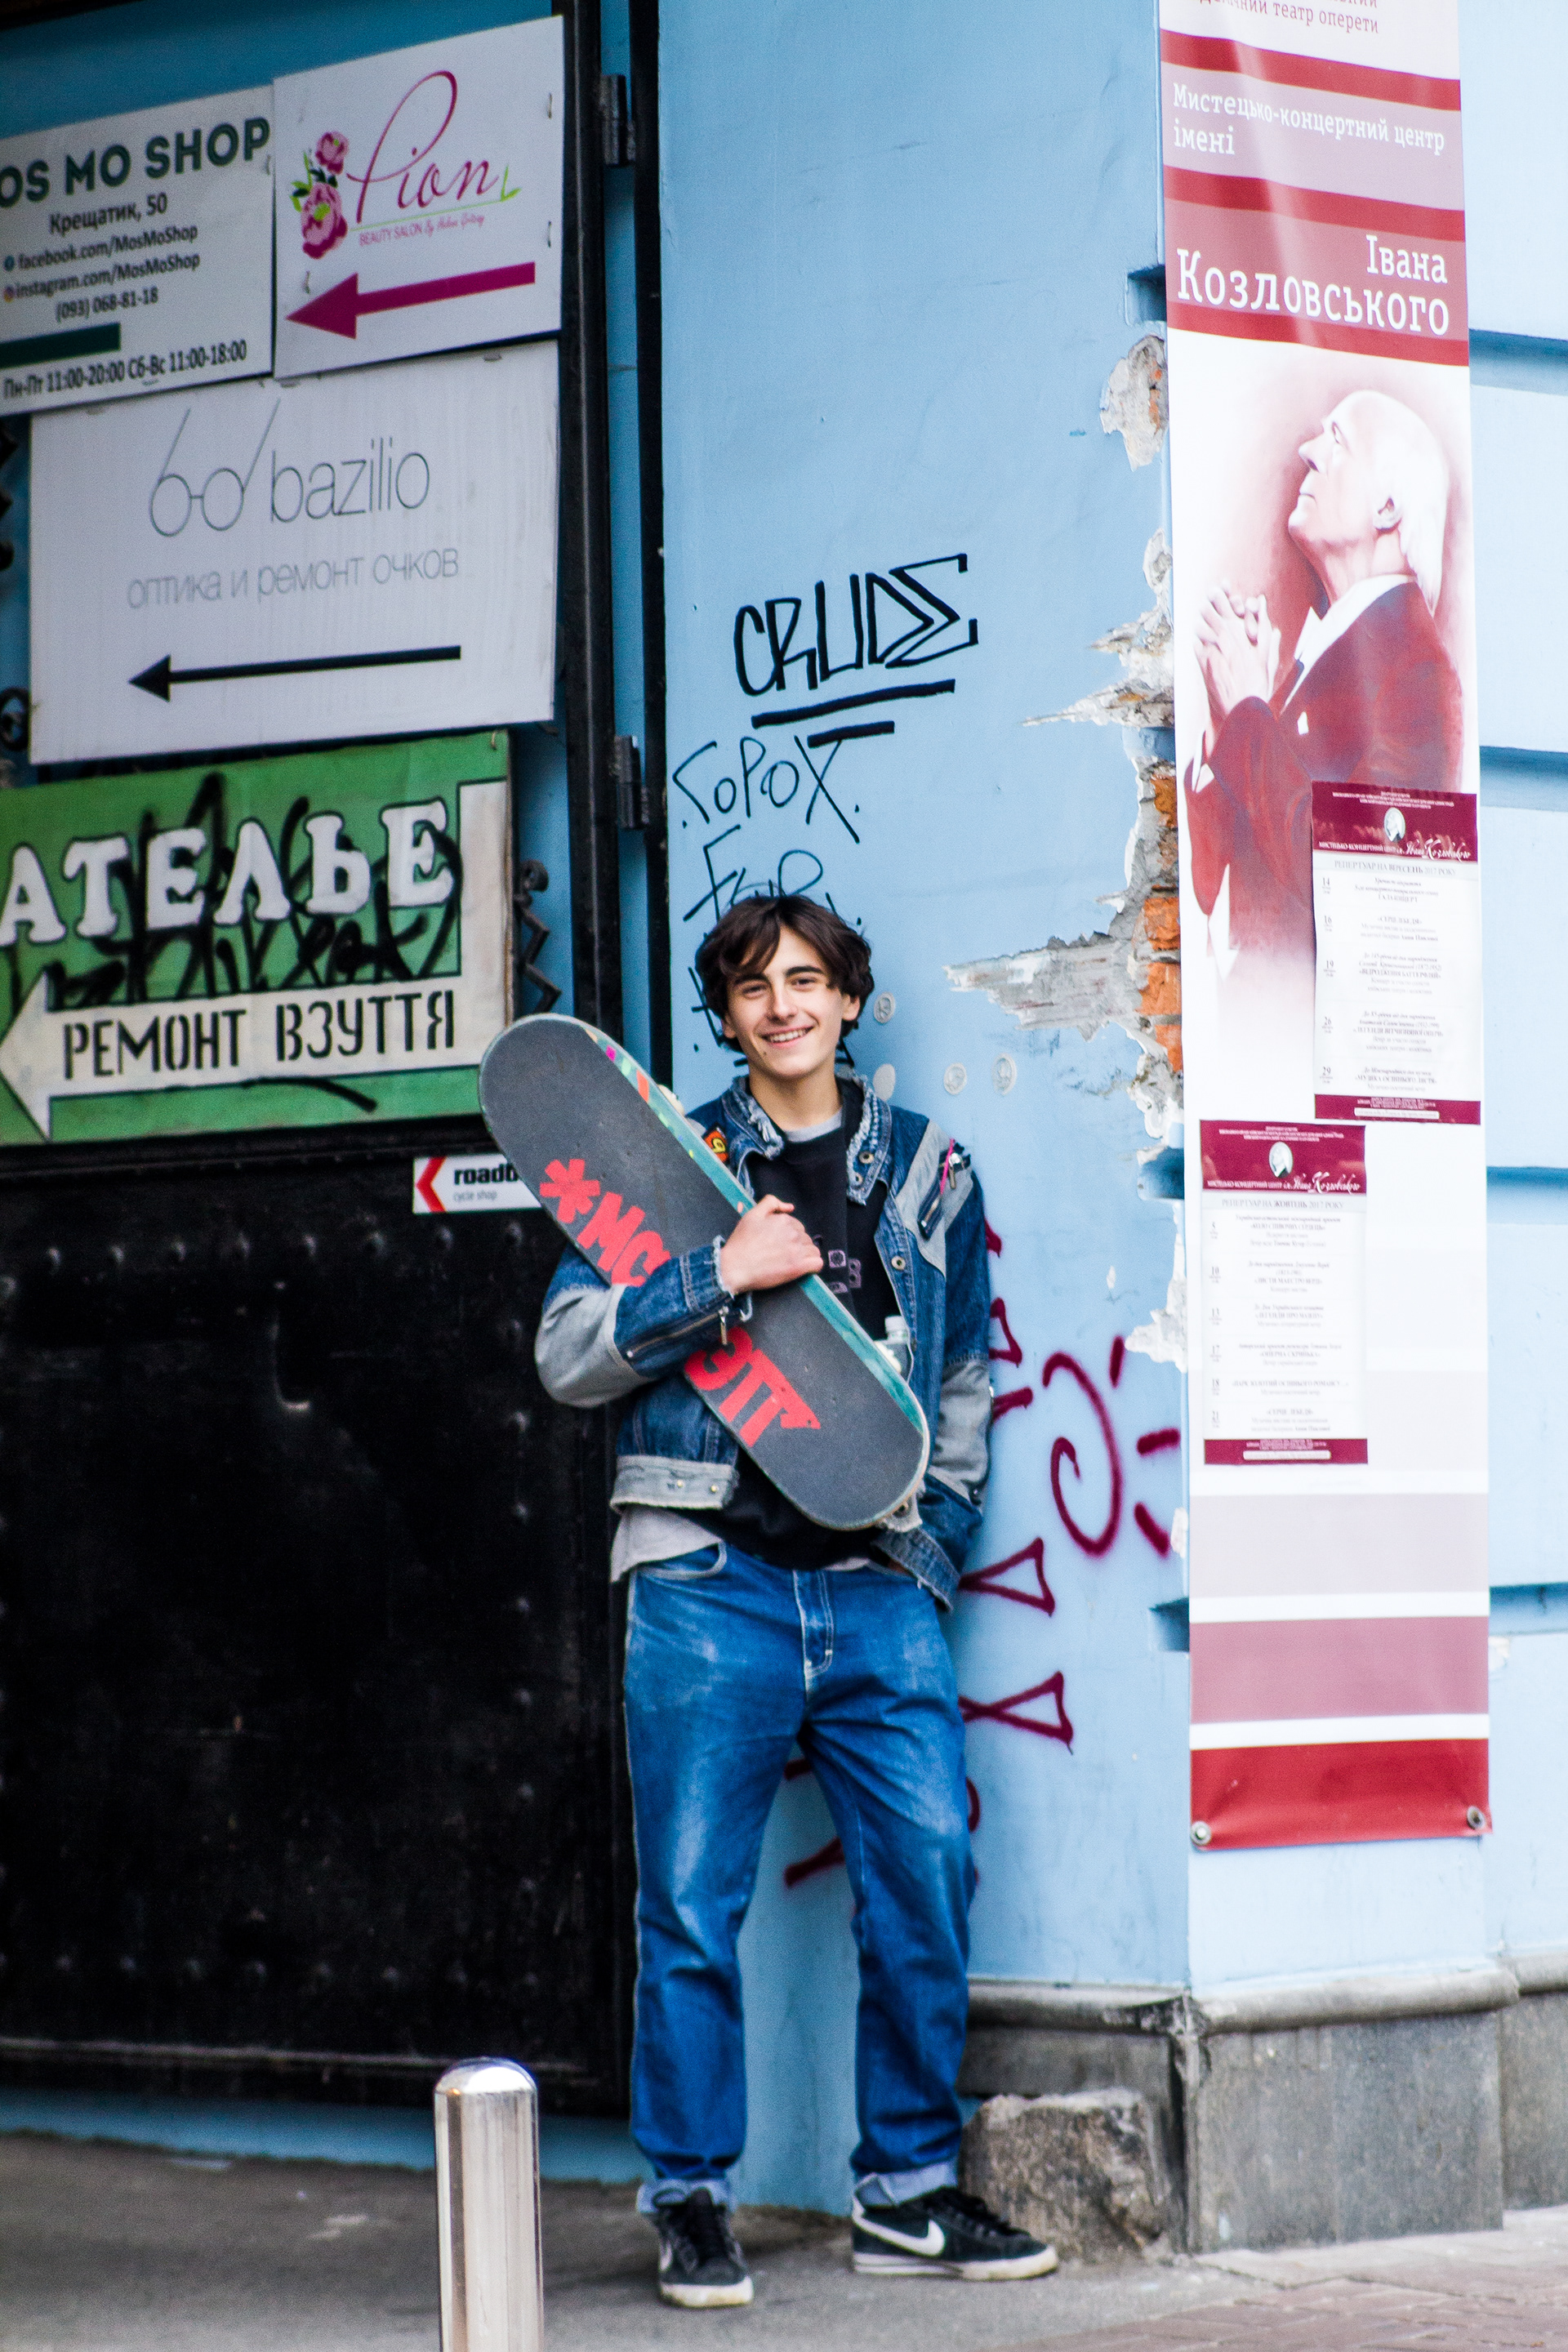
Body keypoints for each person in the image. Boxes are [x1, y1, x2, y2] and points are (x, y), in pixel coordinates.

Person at [535, 893, 1058, 2308]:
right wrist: (716, 1273)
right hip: (710, 1584)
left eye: (810, 980)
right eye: (757, 986)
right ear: (728, 1013)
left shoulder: (930, 1173)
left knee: (927, 1880)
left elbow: (963, 1383)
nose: (785, 1006)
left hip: (875, 1586)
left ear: (849, 1000)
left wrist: (929, 1557)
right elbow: (568, 1353)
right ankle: (693, 2200)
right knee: (690, 1908)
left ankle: (906, 2192)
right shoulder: (672, 1163)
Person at [1185, 388, 1464, 978]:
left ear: (1387, 507)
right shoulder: (1338, 651)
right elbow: (1209, 892)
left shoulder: (1418, 673)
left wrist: (1249, 712)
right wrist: (1227, 718)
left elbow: (1347, 880)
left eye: (1337, 440)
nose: (1309, 452)